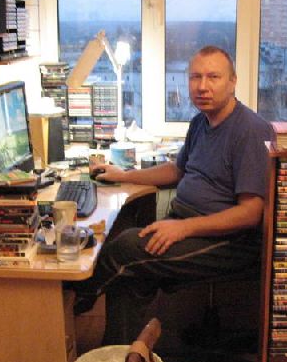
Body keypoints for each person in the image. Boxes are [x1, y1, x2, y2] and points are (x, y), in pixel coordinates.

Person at [72, 45, 275, 345]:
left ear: (233, 81)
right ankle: (121, 359)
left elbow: (250, 214)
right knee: (130, 277)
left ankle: (74, 300)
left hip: (230, 242)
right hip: (188, 223)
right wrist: (124, 175)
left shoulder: (251, 130)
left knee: (125, 246)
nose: (202, 86)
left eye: (213, 77)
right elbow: (176, 170)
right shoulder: (200, 122)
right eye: (195, 77)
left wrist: (183, 228)